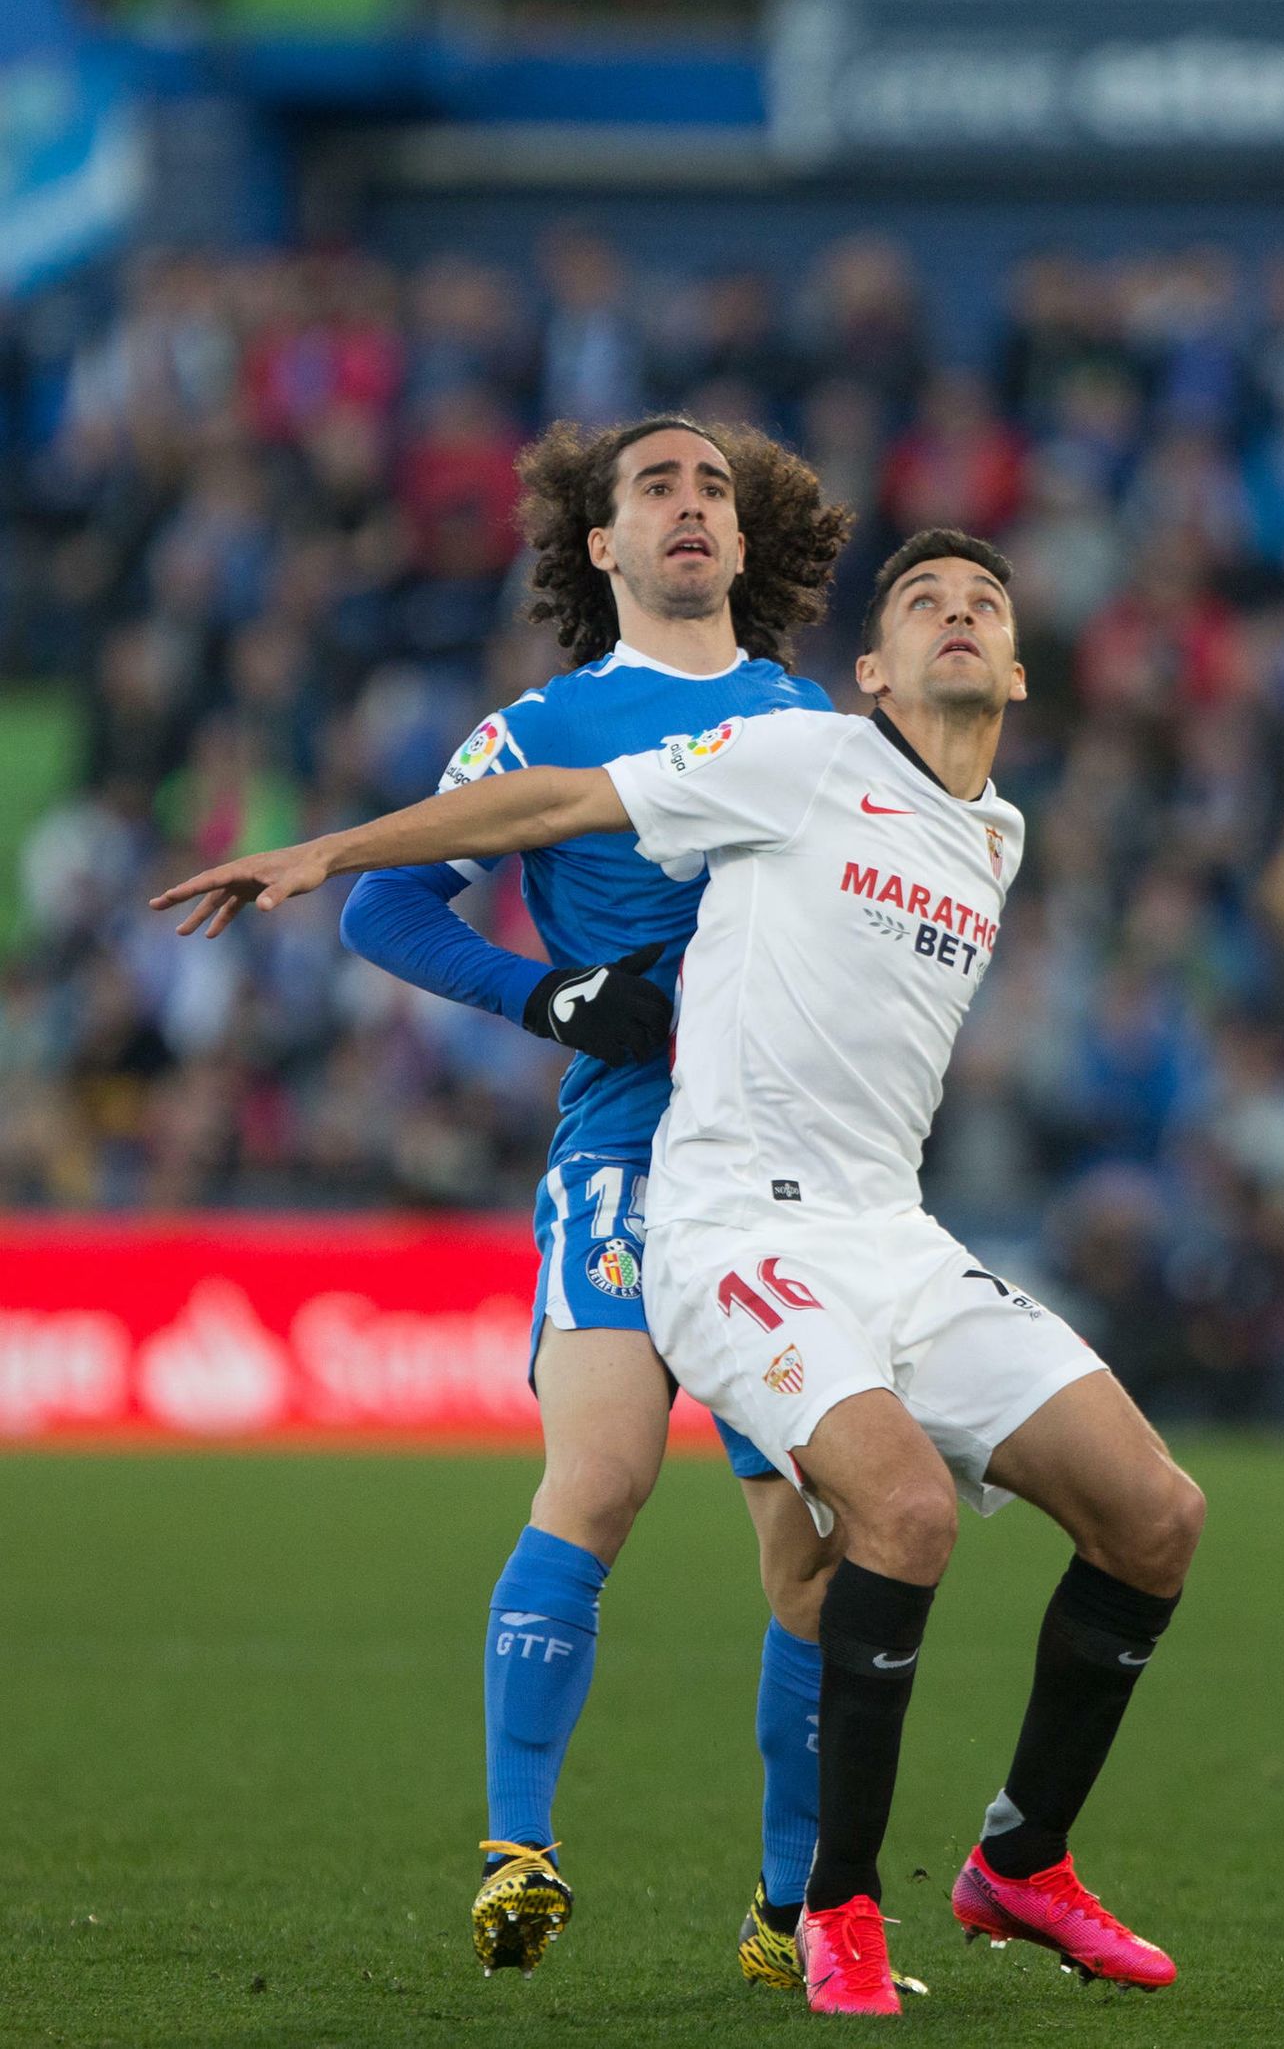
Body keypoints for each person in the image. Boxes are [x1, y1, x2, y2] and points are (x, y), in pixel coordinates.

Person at [155, 527, 1206, 2018]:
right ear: (872, 667)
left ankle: (1022, 1860)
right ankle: (822, 1903)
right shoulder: (801, 753)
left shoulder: (998, 831)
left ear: (1022, 667)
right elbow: (563, 800)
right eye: (922, 602)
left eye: (985, 602)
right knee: (884, 1512)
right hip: (730, 1227)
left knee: (1156, 1517)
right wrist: (336, 848)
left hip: (889, 1233)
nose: (958, 614)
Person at [161, 411, 866, 1991]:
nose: (690, 507)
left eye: (713, 491)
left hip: (782, 1175)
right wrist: (551, 998)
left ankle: (785, 1907)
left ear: (746, 547)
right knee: (602, 1474)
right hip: (623, 1149)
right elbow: (389, 911)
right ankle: (519, 1849)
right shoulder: (536, 726)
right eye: (654, 489)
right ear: (599, 545)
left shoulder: (807, 721)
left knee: (814, 1550)